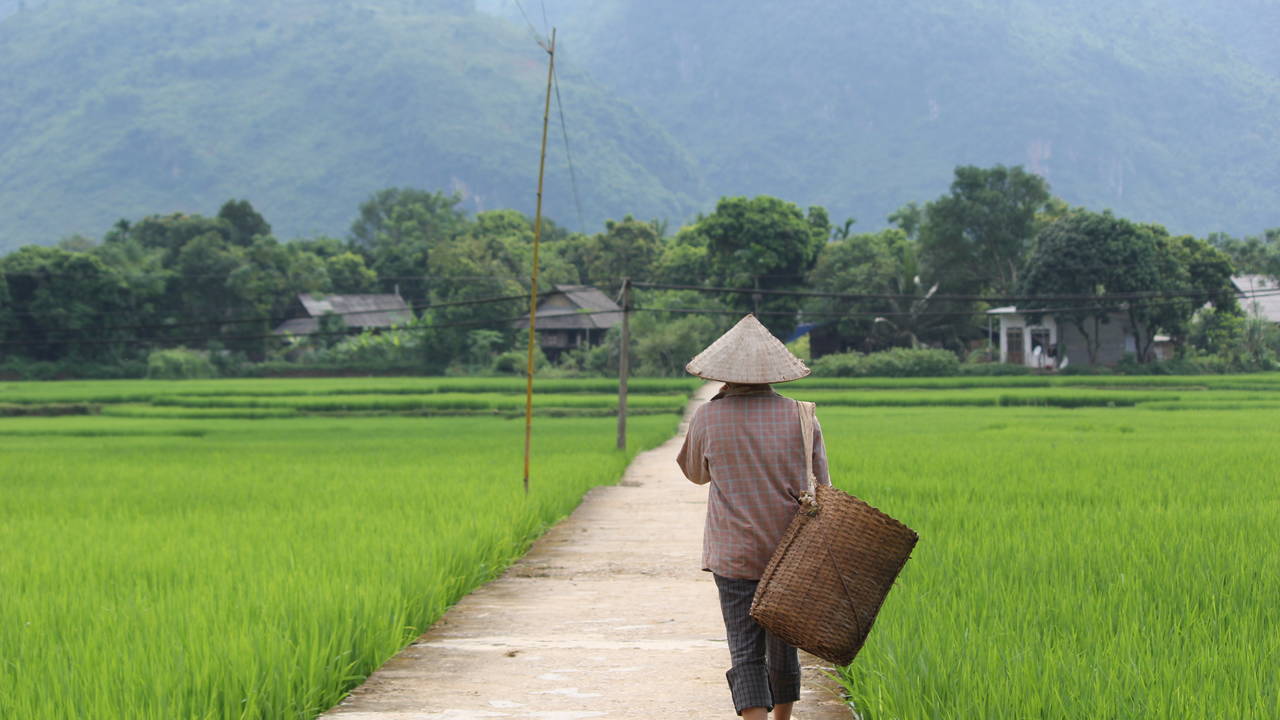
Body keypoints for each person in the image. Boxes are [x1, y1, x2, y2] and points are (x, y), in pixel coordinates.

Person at [676, 314, 831, 719]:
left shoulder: (708, 416)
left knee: (745, 650)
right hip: (790, 553)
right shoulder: (802, 416)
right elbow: (824, 487)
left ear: (724, 375)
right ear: (773, 374)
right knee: (783, 646)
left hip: (734, 555)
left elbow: (695, 474)